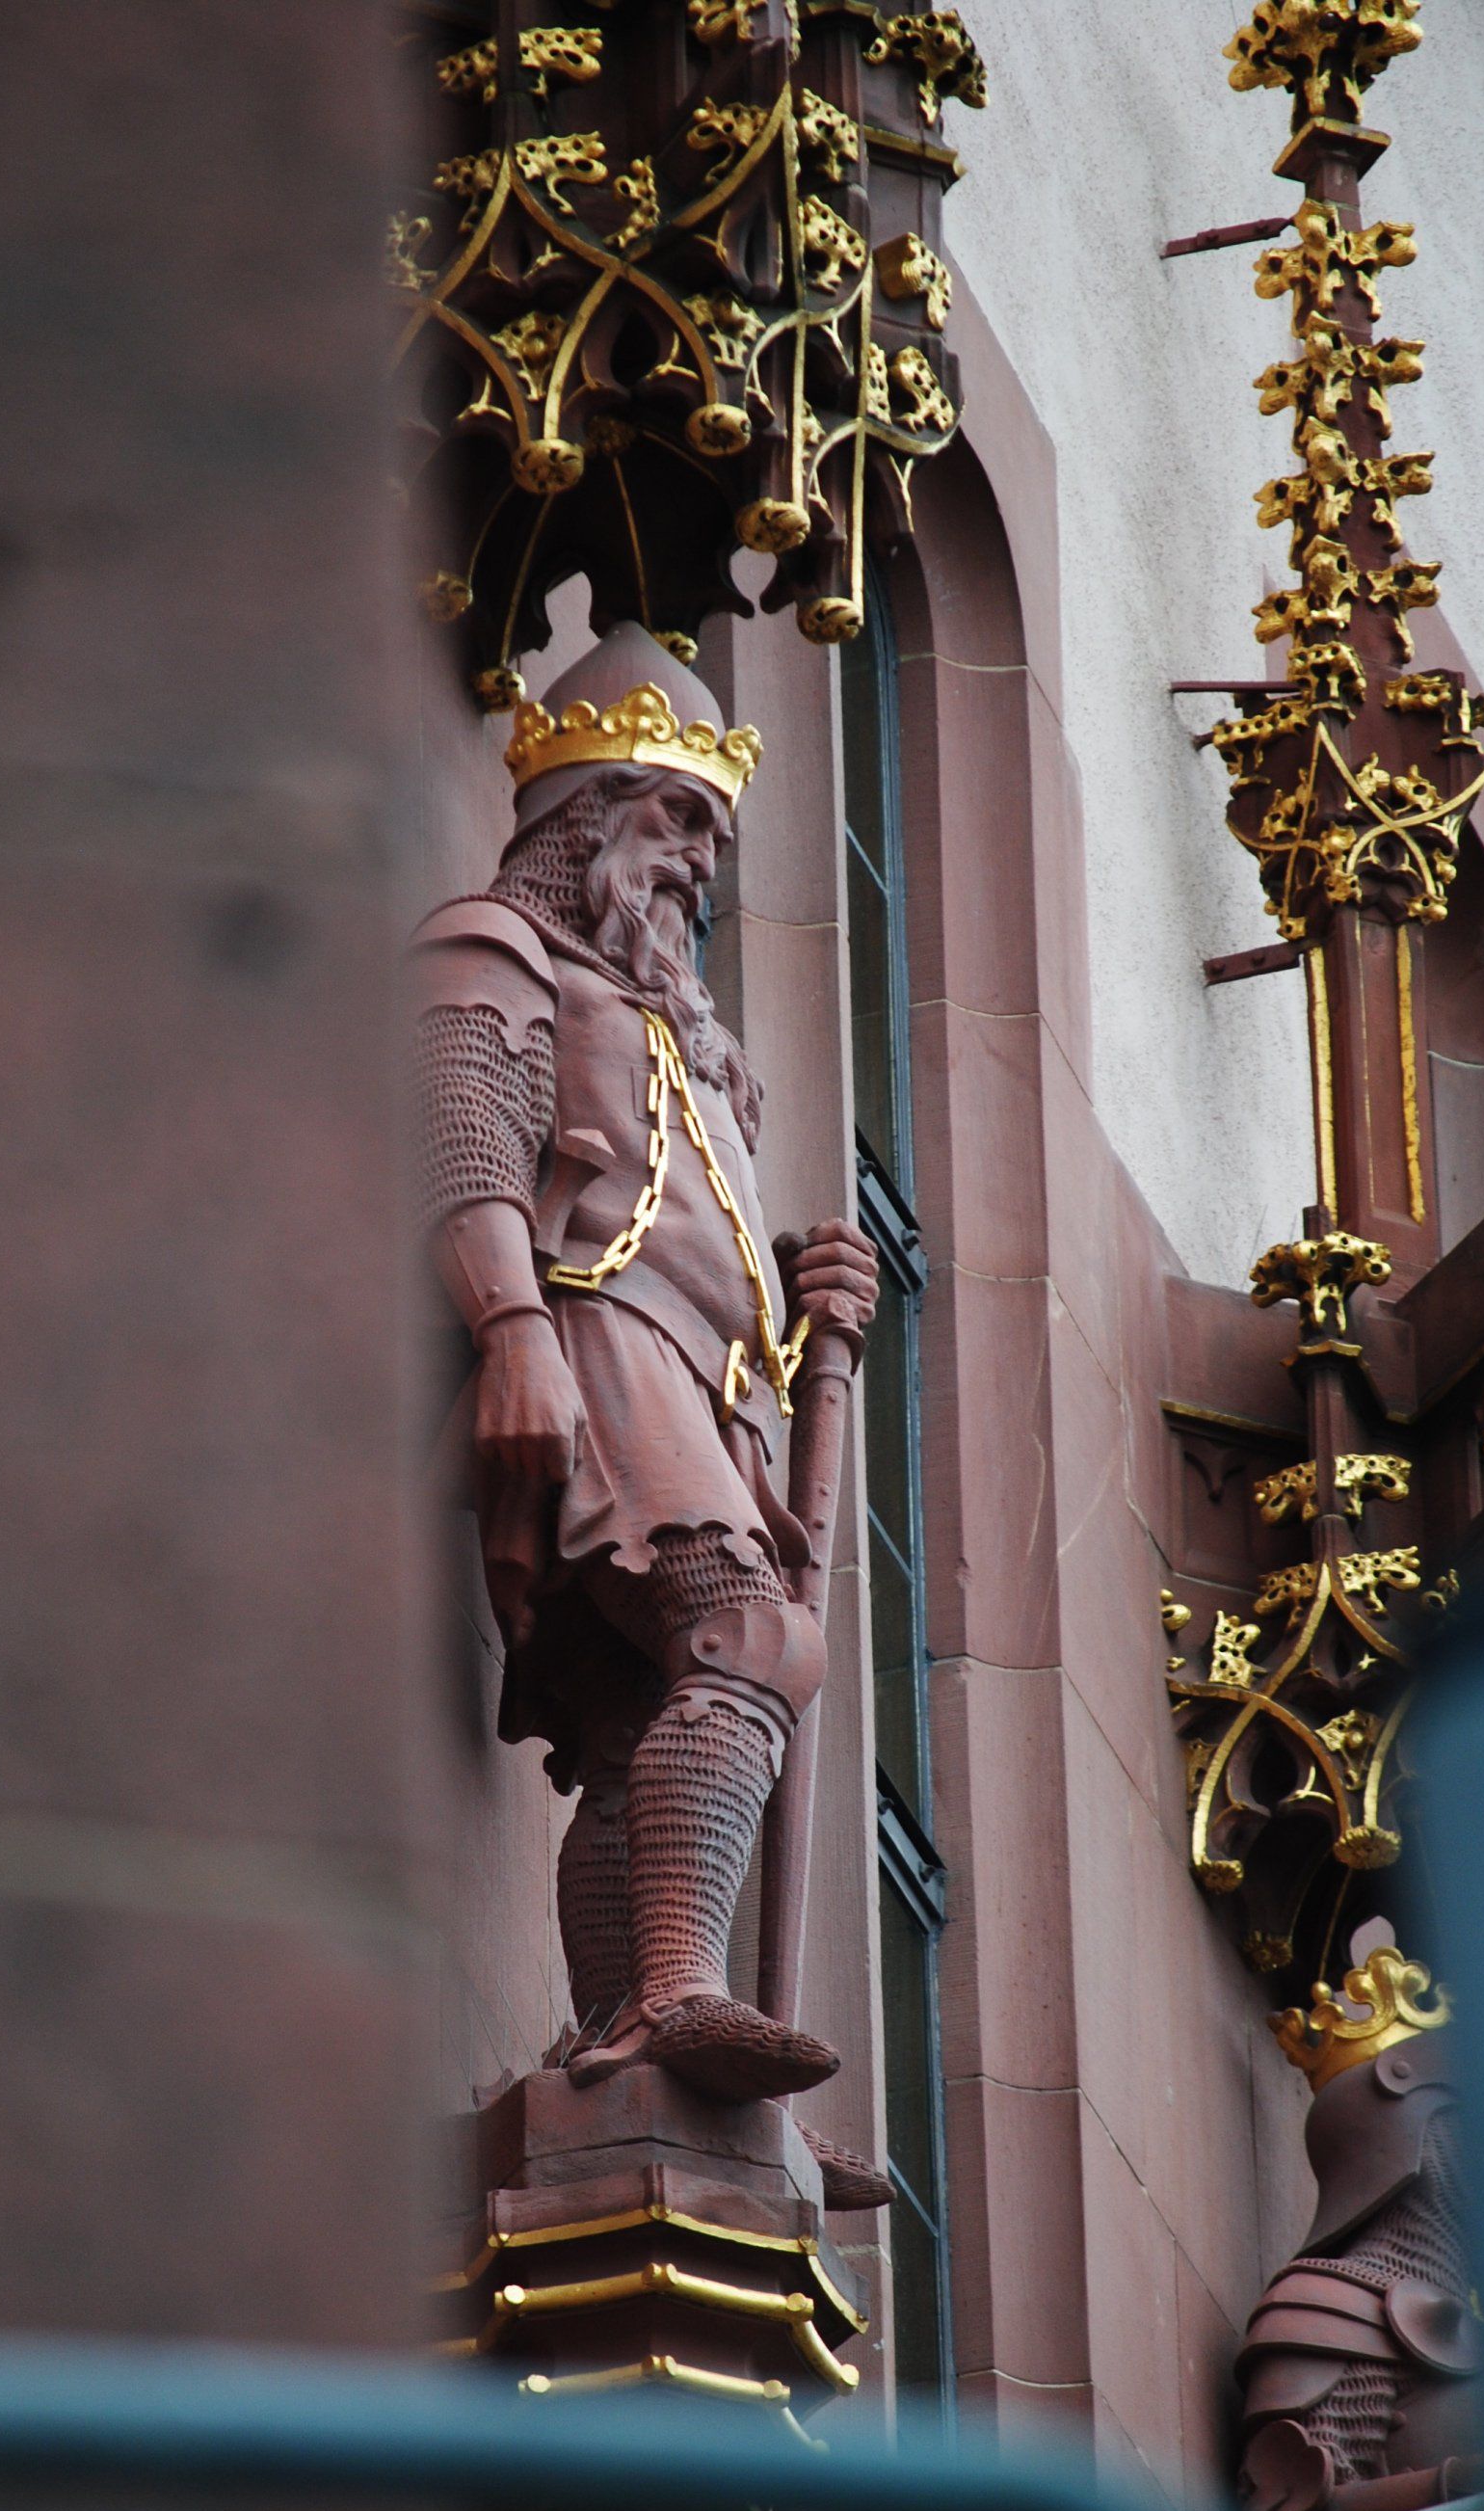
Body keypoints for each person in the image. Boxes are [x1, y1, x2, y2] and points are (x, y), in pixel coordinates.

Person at [412, 622, 882, 2129]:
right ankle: (679, 1984)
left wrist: (814, 1304)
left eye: (718, 838)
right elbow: (467, 1146)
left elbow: (707, 1237)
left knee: (639, 1728)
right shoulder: (497, 948)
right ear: (583, 811)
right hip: (592, 1348)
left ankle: (626, 2046)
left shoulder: (699, 1039)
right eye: (676, 818)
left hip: (702, 1392)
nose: (698, 862)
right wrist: (510, 1335)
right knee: (749, 1640)